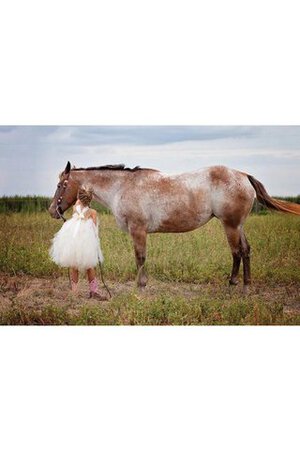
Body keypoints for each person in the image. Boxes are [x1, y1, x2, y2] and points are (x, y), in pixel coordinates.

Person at [49, 186, 107, 300]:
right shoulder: (93, 212)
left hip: (73, 240)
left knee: (74, 265)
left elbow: (78, 203)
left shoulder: (75, 207)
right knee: (90, 267)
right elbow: (95, 229)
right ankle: (93, 291)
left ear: (79, 198)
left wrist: (80, 198)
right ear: (90, 199)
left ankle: (74, 292)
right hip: (87, 241)